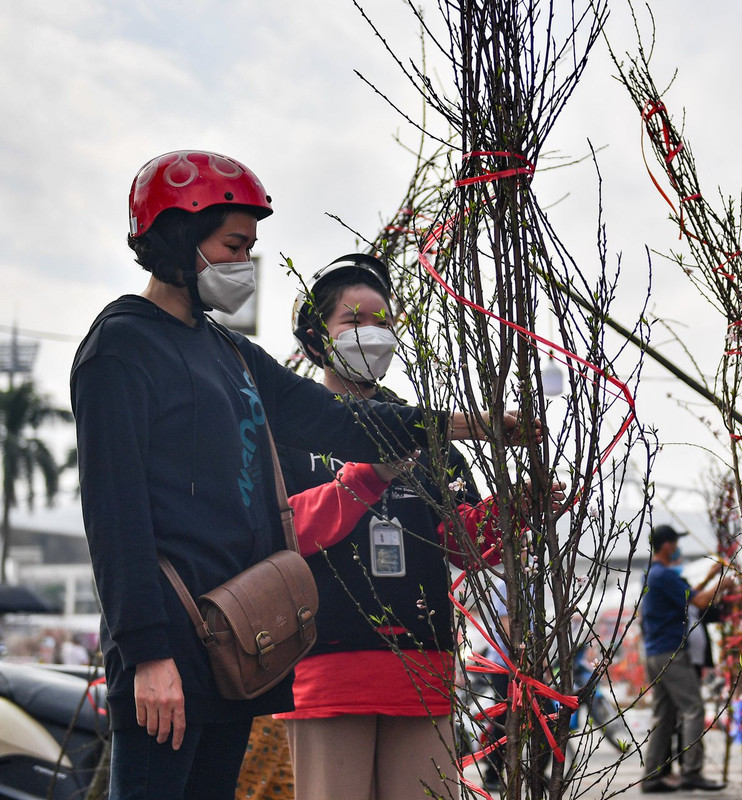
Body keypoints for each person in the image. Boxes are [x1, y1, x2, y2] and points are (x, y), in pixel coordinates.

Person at [71, 150, 535, 800]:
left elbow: (337, 419)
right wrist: (147, 655)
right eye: (233, 246)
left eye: (250, 249)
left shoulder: (230, 352)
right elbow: (114, 519)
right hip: (166, 651)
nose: (244, 264)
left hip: (230, 642)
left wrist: (471, 425)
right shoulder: (121, 348)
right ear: (179, 236)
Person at [277, 254, 559, 800]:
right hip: (327, 663)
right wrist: (368, 477)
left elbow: (460, 544)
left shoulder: (427, 434)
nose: (373, 334)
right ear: (315, 338)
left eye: (383, 322)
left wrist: (515, 511)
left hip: (424, 668)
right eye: (354, 320)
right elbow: (283, 533)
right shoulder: (288, 431)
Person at [639, 525, 726, 793]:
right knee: (693, 709)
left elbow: (687, 596)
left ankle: (652, 777)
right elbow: (698, 601)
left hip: (655, 653)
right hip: (672, 653)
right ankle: (692, 772)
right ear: (667, 545)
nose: (678, 548)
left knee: (663, 715)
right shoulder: (664, 575)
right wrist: (722, 584)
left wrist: (710, 577)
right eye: (675, 542)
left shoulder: (652, 575)